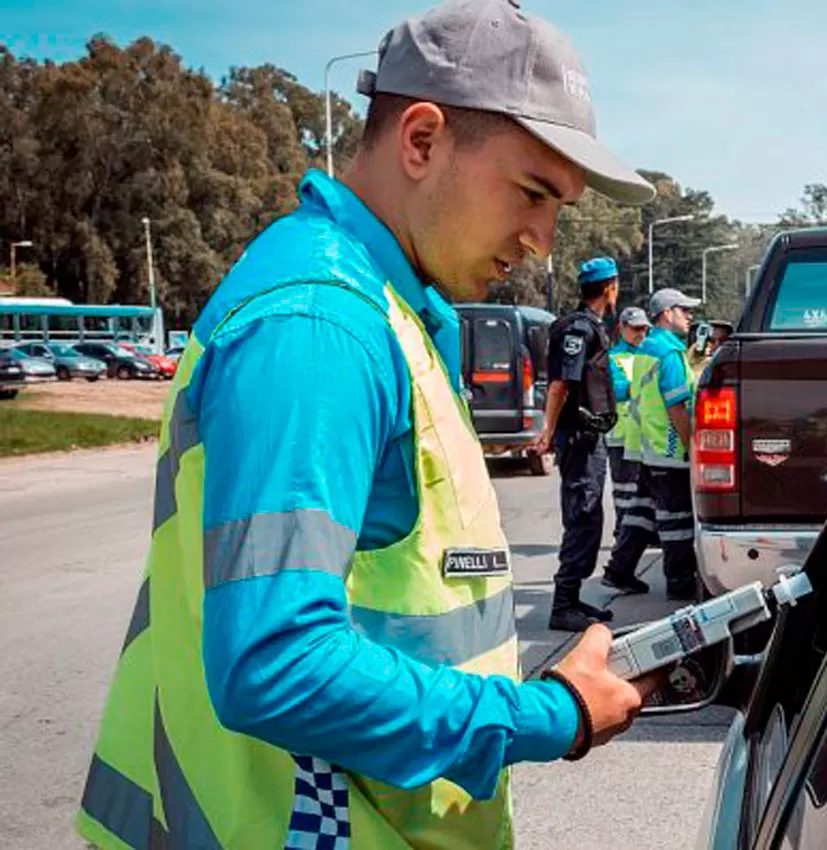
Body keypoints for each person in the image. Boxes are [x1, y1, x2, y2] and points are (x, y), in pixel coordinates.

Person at [75, 3, 659, 848]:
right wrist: (546, 715)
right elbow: (276, 665)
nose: (541, 239)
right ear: (420, 140)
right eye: (533, 193)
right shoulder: (322, 326)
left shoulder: (390, 313)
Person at [538, 256, 626, 631]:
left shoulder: (590, 326)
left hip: (589, 436)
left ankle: (572, 600)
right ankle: (563, 606)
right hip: (578, 437)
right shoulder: (580, 330)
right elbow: (561, 384)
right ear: (609, 288)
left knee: (590, 517)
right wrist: (547, 431)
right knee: (583, 516)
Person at [628, 288, 704, 601]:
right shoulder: (670, 354)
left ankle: (619, 569)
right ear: (666, 313)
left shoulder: (648, 347)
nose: (690, 316)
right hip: (671, 452)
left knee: (642, 513)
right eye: (683, 310)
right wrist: (691, 446)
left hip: (651, 447)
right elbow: (676, 406)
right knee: (677, 523)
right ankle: (679, 582)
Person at [600, 305, 657, 594]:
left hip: (645, 437)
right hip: (621, 437)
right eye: (636, 328)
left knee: (639, 497)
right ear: (621, 328)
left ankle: (629, 544)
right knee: (625, 498)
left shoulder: (646, 354)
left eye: (645, 328)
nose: (641, 333)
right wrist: (646, 382)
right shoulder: (614, 357)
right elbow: (618, 390)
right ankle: (623, 544)